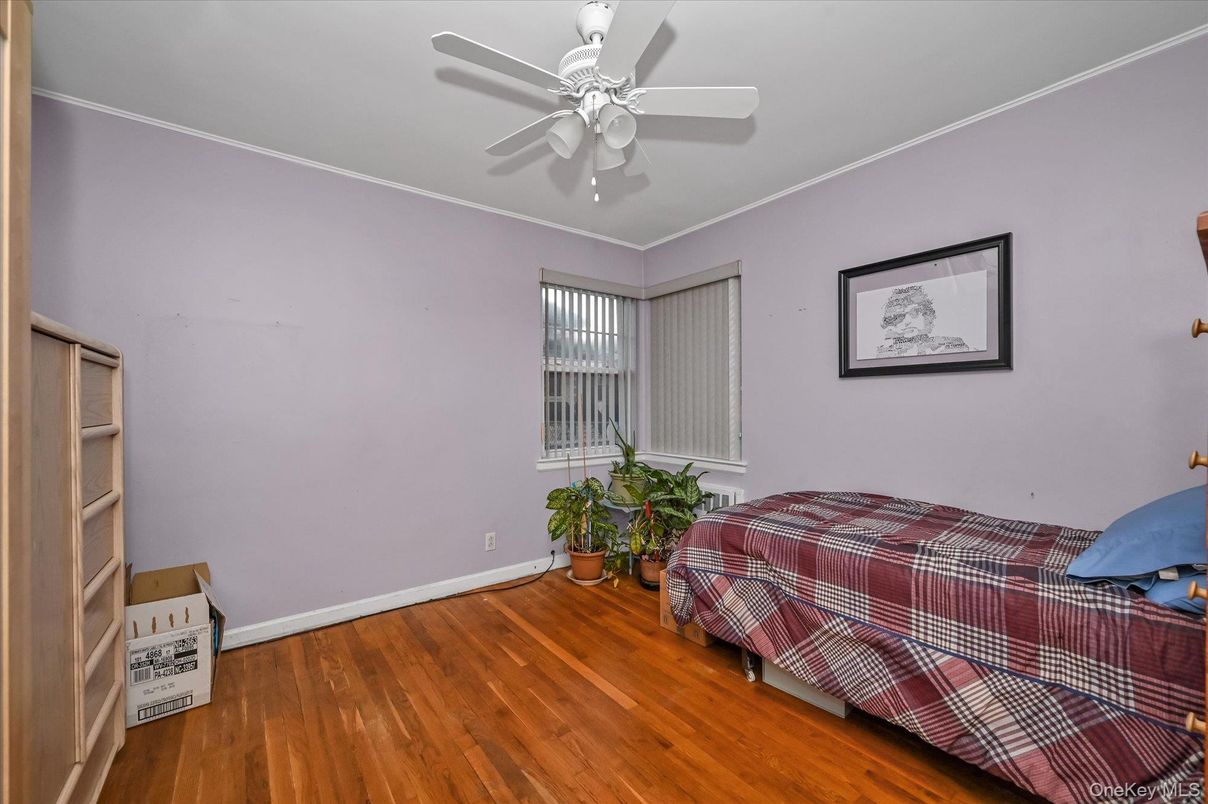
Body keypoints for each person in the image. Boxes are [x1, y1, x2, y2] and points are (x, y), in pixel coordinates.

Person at [876, 284, 970, 357]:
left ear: (927, 314)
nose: (907, 321)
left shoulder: (952, 345)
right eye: (899, 317)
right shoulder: (884, 353)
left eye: (914, 312)